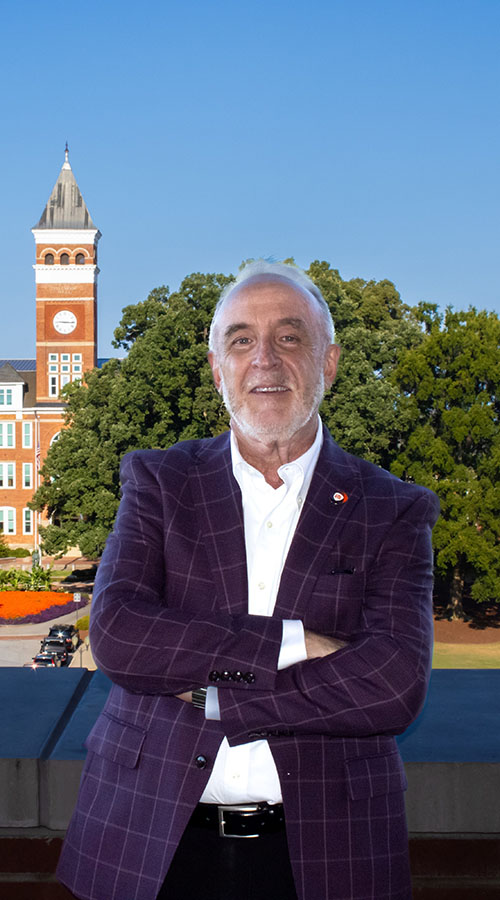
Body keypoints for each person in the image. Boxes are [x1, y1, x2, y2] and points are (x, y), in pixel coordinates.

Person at [57, 260, 440, 900]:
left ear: (330, 362)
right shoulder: (160, 481)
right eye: (241, 339)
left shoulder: (392, 507)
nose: (264, 359)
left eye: (289, 338)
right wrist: (293, 643)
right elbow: (120, 635)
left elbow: (395, 682)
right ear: (217, 369)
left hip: (329, 848)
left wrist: (217, 698)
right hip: (146, 839)